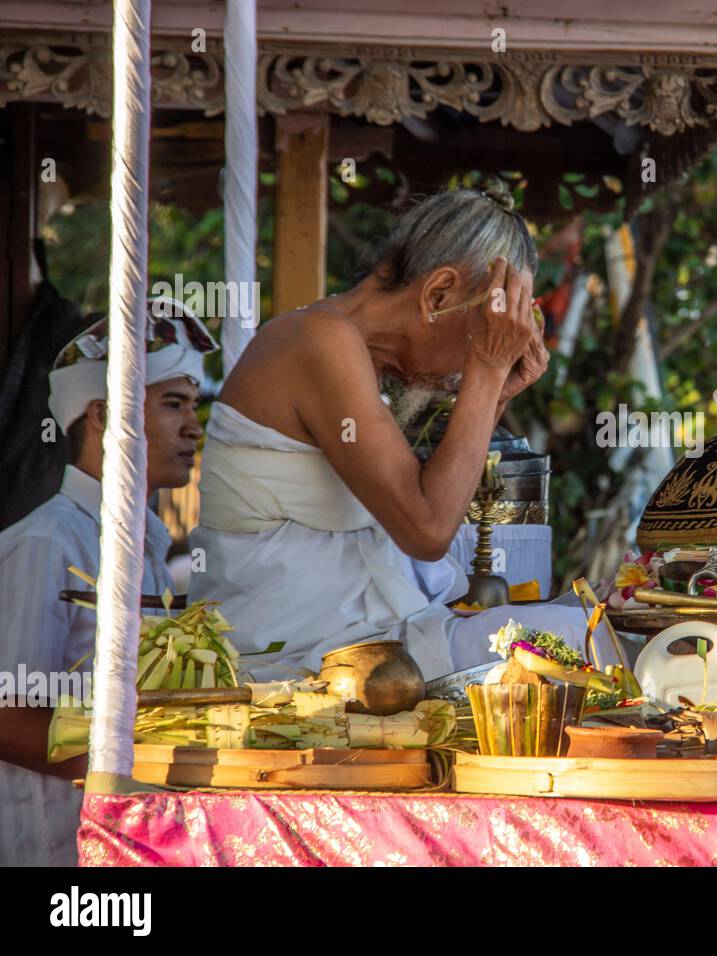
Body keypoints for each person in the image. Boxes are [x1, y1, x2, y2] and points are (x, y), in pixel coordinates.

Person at [190, 184, 610, 682]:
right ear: (437, 294)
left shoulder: (346, 350)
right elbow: (427, 529)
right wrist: (487, 369)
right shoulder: (319, 339)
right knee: (583, 639)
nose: (464, 369)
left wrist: (496, 393)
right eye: (491, 326)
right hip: (293, 662)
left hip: (366, 648)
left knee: (595, 626)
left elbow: (424, 498)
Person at [0, 298, 212, 866]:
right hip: (53, 841)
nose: (194, 425)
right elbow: (7, 718)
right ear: (101, 414)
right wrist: (145, 764)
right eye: (173, 404)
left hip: (129, 830)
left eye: (193, 405)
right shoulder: (46, 541)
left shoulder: (147, 542)